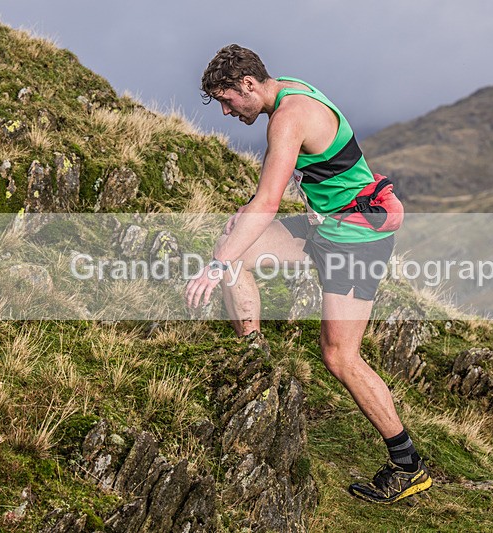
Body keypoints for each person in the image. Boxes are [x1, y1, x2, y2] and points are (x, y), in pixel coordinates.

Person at [185, 44, 431, 503]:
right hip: (326, 226)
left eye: (227, 99)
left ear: (249, 85)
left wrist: (214, 269)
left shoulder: (288, 117)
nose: (225, 110)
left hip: (357, 238)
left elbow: (269, 202)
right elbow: (263, 202)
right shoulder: (287, 92)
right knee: (233, 241)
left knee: (340, 357)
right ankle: (253, 358)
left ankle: (407, 466)